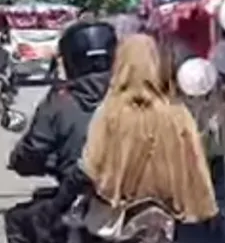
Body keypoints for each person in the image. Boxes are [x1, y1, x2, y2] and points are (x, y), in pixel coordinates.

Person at [3, 19, 118, 243]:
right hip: (143, 205)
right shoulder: (135, 97)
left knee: (21, 221)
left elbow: (32, 151)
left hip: (86, 203)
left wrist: (24, 162)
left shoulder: (61, 101)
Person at [81, 32, 217, 229]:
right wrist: (203, 207)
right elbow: (196, 163)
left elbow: (91, 164)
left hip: (118, 210)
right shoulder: (177, 113)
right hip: (169, 209)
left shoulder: (111, 111)